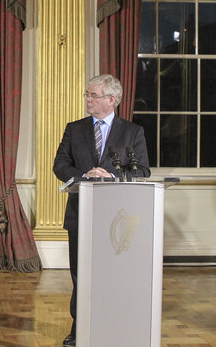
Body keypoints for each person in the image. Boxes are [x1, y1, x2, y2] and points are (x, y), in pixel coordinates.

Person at [53, 74, 151, 346]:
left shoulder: (133, 131)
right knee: (79, 275)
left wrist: (109, 176)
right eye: (87, 94)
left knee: (115, 275)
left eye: (92, 95)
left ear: (112, 99)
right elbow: (59, 165)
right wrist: (87, 175)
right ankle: (79, 329)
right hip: (80, 215)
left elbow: (142, 170)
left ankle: (115, 325)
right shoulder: (74, 129)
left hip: (117, 218)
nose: (87, 99)